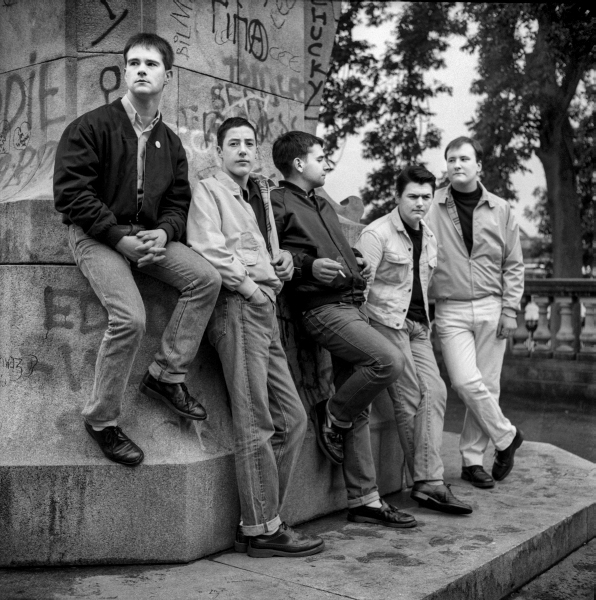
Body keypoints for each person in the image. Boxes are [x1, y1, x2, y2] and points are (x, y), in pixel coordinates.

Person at [53, 33, 221, 467]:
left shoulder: (171, 141)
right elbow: (72, 194)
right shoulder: (91, 126)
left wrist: (165, 233)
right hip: (95, 235)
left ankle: (166, 375)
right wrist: (118, 237)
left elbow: (178, 202)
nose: (141, 69)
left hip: (147, 235)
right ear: (124, 72)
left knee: (205, 279)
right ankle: (102, 421)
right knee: (131, 318)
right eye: (134, 63)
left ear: (168, 75)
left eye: (151, 63)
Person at [186, 117, 324, 558]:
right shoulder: (210, 190)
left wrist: (280, 257)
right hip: (239, 307)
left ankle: (264, 517)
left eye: (249, 143)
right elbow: (207, 247)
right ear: (219, 150)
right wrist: (248, 287)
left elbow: (261, 247)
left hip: (265, 309)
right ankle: (262, 527)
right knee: (255, 422)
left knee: (293, 419)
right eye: (234, 144)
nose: (243, 150)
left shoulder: (259, 193)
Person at [271, 131, 416, 529]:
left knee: (362, 404)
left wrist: (355, 262)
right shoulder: (277, 202)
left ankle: (365, 499)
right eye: (321, 157)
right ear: (299, 163)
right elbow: (270, 252)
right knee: (389, 361)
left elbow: (333, 249)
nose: (327, 164)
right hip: (321, 309)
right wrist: (306, 267)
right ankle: (333, 414)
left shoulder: (321, 204)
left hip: (349, 303)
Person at [356, 165, 472, 515]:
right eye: (413, 197)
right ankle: (429, 483)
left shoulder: (430, 235)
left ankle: (426, 481)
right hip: (387, 323)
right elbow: (360, 288)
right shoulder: (377, 234)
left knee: (435, 391)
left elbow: (421, 288)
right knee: (409, 396)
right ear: (398, 197)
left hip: (419, 327)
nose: (420, 203)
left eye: (426, 197)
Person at [425, 136, 525, 489]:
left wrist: (510, 309)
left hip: (491, 305)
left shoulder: (500, 208)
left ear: (478, 165)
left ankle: (472, 461)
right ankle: (507, 437)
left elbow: (514, 263)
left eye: (464, 158)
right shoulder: (430, 205)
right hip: (450, 307)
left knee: (488, 386)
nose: (456, 164)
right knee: (466, 382)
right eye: (451, 159)